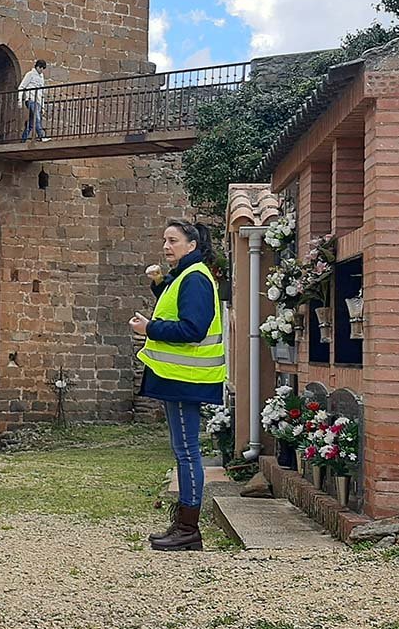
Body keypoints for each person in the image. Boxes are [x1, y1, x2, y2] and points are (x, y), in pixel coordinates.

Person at [130, 219, 226, 553]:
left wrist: (149, 329)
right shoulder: (186, 275)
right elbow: (177, 306)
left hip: (187, 379)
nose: (166, 246)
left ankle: (188, 529)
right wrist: (159, 283)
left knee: (187, 452)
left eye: (173, 240)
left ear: (192, 245)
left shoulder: (196, 277)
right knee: (183, 451)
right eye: (164, 240)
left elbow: (192, 329)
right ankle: (184, 524)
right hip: (179, 378)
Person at [18, 59, 49, 142]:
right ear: (37, 67)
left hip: (38, 101)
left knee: (31, 123)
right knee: (37, 118)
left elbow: (41, 92)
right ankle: (41, 136)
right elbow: (22, 86)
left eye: (43, 68)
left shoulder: (41, 77)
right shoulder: (30, 74)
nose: (42, 69)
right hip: (30, 99)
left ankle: (23, 139)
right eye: (40, 67)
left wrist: (43, 106)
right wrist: (19, 100)